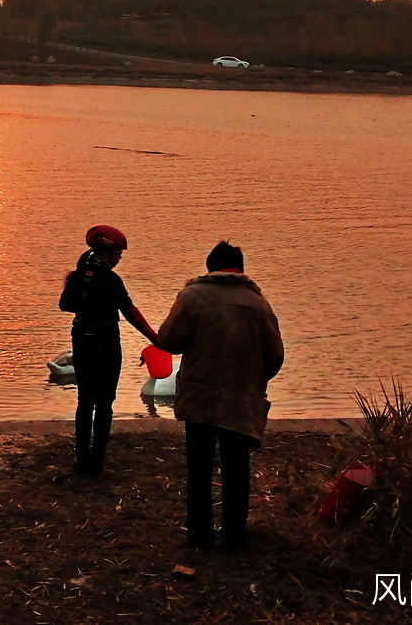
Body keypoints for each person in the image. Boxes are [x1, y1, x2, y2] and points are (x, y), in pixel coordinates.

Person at [157, 241, 283, 550]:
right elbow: (275, 356)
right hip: (240, 399)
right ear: (241, 269)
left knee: (199, 467)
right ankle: (235, 534)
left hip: (199, 396)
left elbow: (169, 340)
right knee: (237, 467)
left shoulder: (192, 297)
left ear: (209, 267)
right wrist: (253, 380)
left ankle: (199, 534)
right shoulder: (258, 303)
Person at [58, 224, 161, 475]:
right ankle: (97, 460)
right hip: (105, 341)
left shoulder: (78, 275)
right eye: (118, 253)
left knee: (85, 400)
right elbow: (130, 312)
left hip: (81, 339)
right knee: (105, 401)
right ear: (107, 252)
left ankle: (81, 457)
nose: (119, 258)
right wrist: (155, 338)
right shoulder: (111, 279)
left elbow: (65, 305)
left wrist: (87, 303)